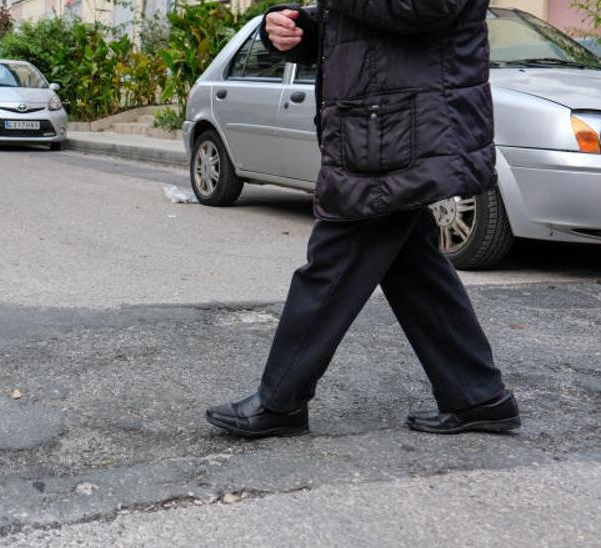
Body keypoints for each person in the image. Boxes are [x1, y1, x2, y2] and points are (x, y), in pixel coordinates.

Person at [205, 0, 520, 438]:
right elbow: (366, 29)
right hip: (381, 123)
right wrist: (298, 27)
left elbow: (426, 9)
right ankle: (477, 395)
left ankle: (280, 401)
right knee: (413, 269)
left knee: (334, 262)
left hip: (399, 129)